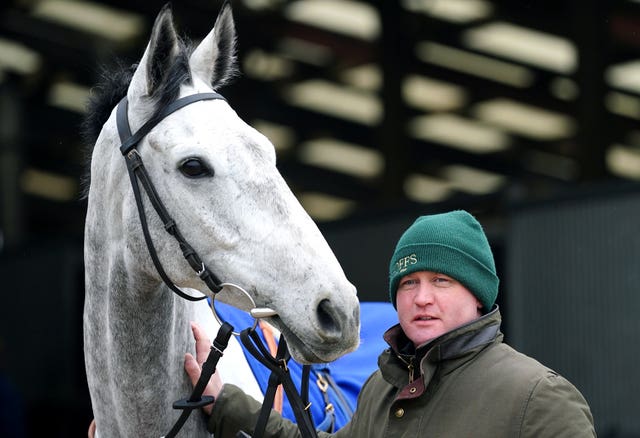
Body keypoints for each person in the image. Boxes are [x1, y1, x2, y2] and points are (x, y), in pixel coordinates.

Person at [185, 210, 596, 437]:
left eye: (442, 281)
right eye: (409, 283)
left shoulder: (538, 397)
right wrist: (225, 403)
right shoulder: (382, 389)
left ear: (478, 295)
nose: (421, 297)